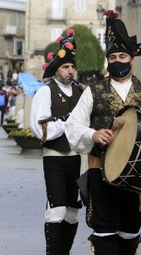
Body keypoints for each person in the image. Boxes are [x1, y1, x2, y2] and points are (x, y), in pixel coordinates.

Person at [65, 10, 141, 255]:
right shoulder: (93, 90)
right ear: (108, 60)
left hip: (139, 174)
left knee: (129, 233)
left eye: (122, 56)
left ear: (132, 58)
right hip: (101, 171)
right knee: (104, 234)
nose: (117, 60)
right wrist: (92, 134)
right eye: (113, 56)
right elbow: (73, 125)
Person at [30, 29, 82, 255]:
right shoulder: (45, 92)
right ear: (56, 70)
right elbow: (40, 129)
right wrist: (68, 123)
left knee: (72, 213)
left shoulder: (82, 91)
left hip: (78, 159)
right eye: (65, 67)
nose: (70, 71)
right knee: (57, 210)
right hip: (55, 158)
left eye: (72, 67)